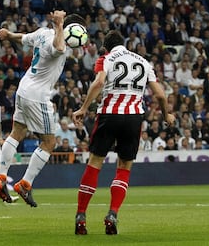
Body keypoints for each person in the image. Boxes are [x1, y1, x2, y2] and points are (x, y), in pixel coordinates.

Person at [72, 30, 175, 235]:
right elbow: (161, 95)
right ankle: (112, 214)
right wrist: (166, 115)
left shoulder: (106, 58)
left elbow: (99, 82)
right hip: (134, 118)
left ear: (106, 46)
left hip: (110, 114)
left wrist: (84, 108)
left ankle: (81, 216)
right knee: (124, 167)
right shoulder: (144, 62)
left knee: (95, 164)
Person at [0, 10, 86, 207]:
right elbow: (59, 48)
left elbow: (23, 38)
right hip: (38, 95)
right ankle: (25, 184)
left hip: (24, 88)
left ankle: (1, 176)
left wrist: (9, 35)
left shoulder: (43, 32)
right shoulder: (57, 42)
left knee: (17, 132)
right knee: (49, 143)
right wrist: (60, 25)